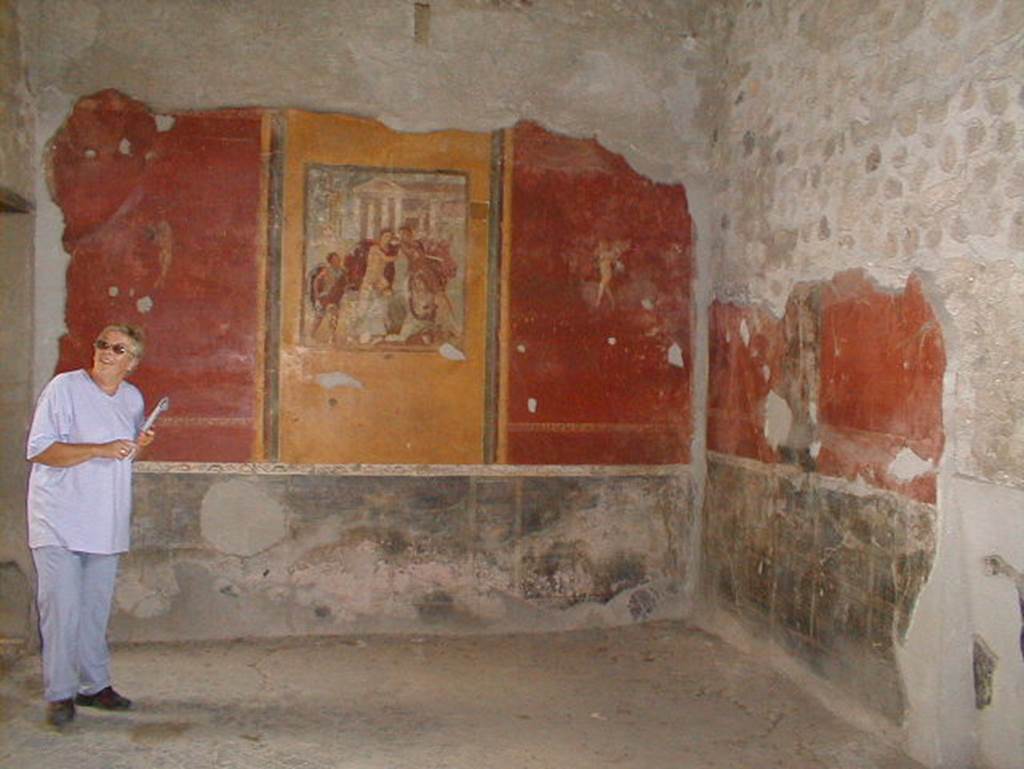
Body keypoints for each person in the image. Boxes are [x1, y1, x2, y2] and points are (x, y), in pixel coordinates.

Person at [26, 324, 156, 728]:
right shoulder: (64, 388)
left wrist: (138, 448)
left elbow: (121, 457)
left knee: (94, 610)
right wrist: (99, 448)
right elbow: (41, 451)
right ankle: (60, 694)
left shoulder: (133, 399)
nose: (106, 352)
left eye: (118, 349)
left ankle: (94, 685)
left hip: (105, 520)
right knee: (61, 609)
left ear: (132, 363)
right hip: (59, 518)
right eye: (102, 343)